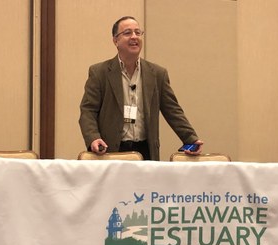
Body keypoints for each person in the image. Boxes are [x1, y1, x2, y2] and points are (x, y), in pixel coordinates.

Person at [79, 16, 203, 160]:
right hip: (110, 149)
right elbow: (88, 111)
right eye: (127, 33)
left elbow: (173, 110)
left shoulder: (157, 74)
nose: (134, 37)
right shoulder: (99, 72)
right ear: (115, 40)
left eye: (138, 33)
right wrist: (93, 138)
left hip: (146, 150)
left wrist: (191, 138)